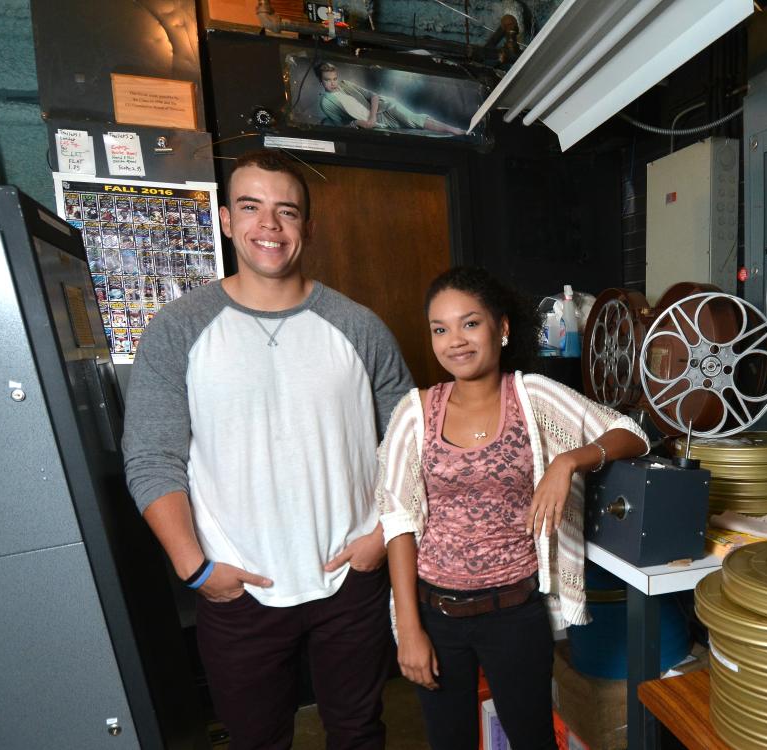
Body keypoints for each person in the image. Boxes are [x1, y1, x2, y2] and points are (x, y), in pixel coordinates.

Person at [123, 149, 414, 749]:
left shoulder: (358, 326)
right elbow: (152, 456)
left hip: (350, 579)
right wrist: (194, 567)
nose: (270, 226)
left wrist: (381, 537)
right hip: (237, 586)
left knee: (359, 732)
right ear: (227, 220)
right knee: (257, 741)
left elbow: (411, 444)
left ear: (307, 226)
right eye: (252, 208)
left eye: (287, 211)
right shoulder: (179, 327)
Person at [375, 267, 649, 749]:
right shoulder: (415, 412)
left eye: (469, 323)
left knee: (533, 739)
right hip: (436, 615)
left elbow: (631, 434)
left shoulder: (532, 397)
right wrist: (410, 629)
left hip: (514, 613)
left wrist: (568, 461)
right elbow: (397, 520)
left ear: (501, 329)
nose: (454, 341)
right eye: (440, 329)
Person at [314, 63, 465, 135]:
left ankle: (453, 129)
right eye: (328, 80)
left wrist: (372, 117)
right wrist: (360, 123)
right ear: (321, 82)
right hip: (376, 126)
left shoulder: (345, 84)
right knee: (413, 131)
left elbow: (373, 96)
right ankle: (452, 131)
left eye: (335, 78)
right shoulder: (326, 103)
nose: (333, 83)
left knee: (414, 120)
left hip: (385, 108)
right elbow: (342, 126)